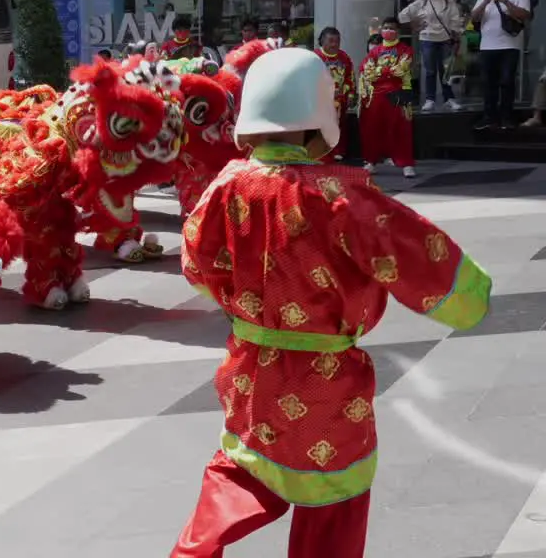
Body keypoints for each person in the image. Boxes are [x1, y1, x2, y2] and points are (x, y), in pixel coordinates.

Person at [170, 47, 491, 558]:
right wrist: (471, 299)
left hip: (249, 367)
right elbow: (419, 258)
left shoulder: (226, 186)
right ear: (320, 120)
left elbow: (196, 266)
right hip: (327, 376)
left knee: (241, 469)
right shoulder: (345, 199)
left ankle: (193, 553)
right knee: (335, 491)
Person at [471, 0, 533, 130]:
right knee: (488, 83)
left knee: (507, 81)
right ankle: (489, 117)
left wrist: (505, 1)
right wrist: (486, 1)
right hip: (487, 46)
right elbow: (474, 17)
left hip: (509, 46)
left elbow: (524, 16)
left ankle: (506, 116)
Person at [359, 17, 417, 178]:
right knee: (374, 127)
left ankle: (406, 163)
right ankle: (371, 161)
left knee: (401, 128)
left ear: (398, 31)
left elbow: (401, 69)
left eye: (391, 28)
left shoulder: (405, 50)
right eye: (385, 28)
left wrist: (381, 71)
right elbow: (367, 71)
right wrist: (387, 72)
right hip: (376, 95)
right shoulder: (374, 51)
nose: (388, 31)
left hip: (399, 92)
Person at [398, 0, 465, 112]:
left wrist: (456, 35)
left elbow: (455, 20)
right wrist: (414, 26)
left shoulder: (448, 1)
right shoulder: (422, 1)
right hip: (427, 39)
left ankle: (449, 98)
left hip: (445, 40)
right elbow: (403, 15)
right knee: (430, 71)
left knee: (445, 71)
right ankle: (430, 99)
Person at [314, 27, 355, 162]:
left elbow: (350, 77)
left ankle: (338, 150)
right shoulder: (315, 57)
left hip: (340, 99)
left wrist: (350, 95)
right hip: (321, 99)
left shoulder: (344, 57)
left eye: (337, 41)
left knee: (340, 125)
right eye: (331, 41)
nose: (334, 44)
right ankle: (320, 150)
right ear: (322, 41)